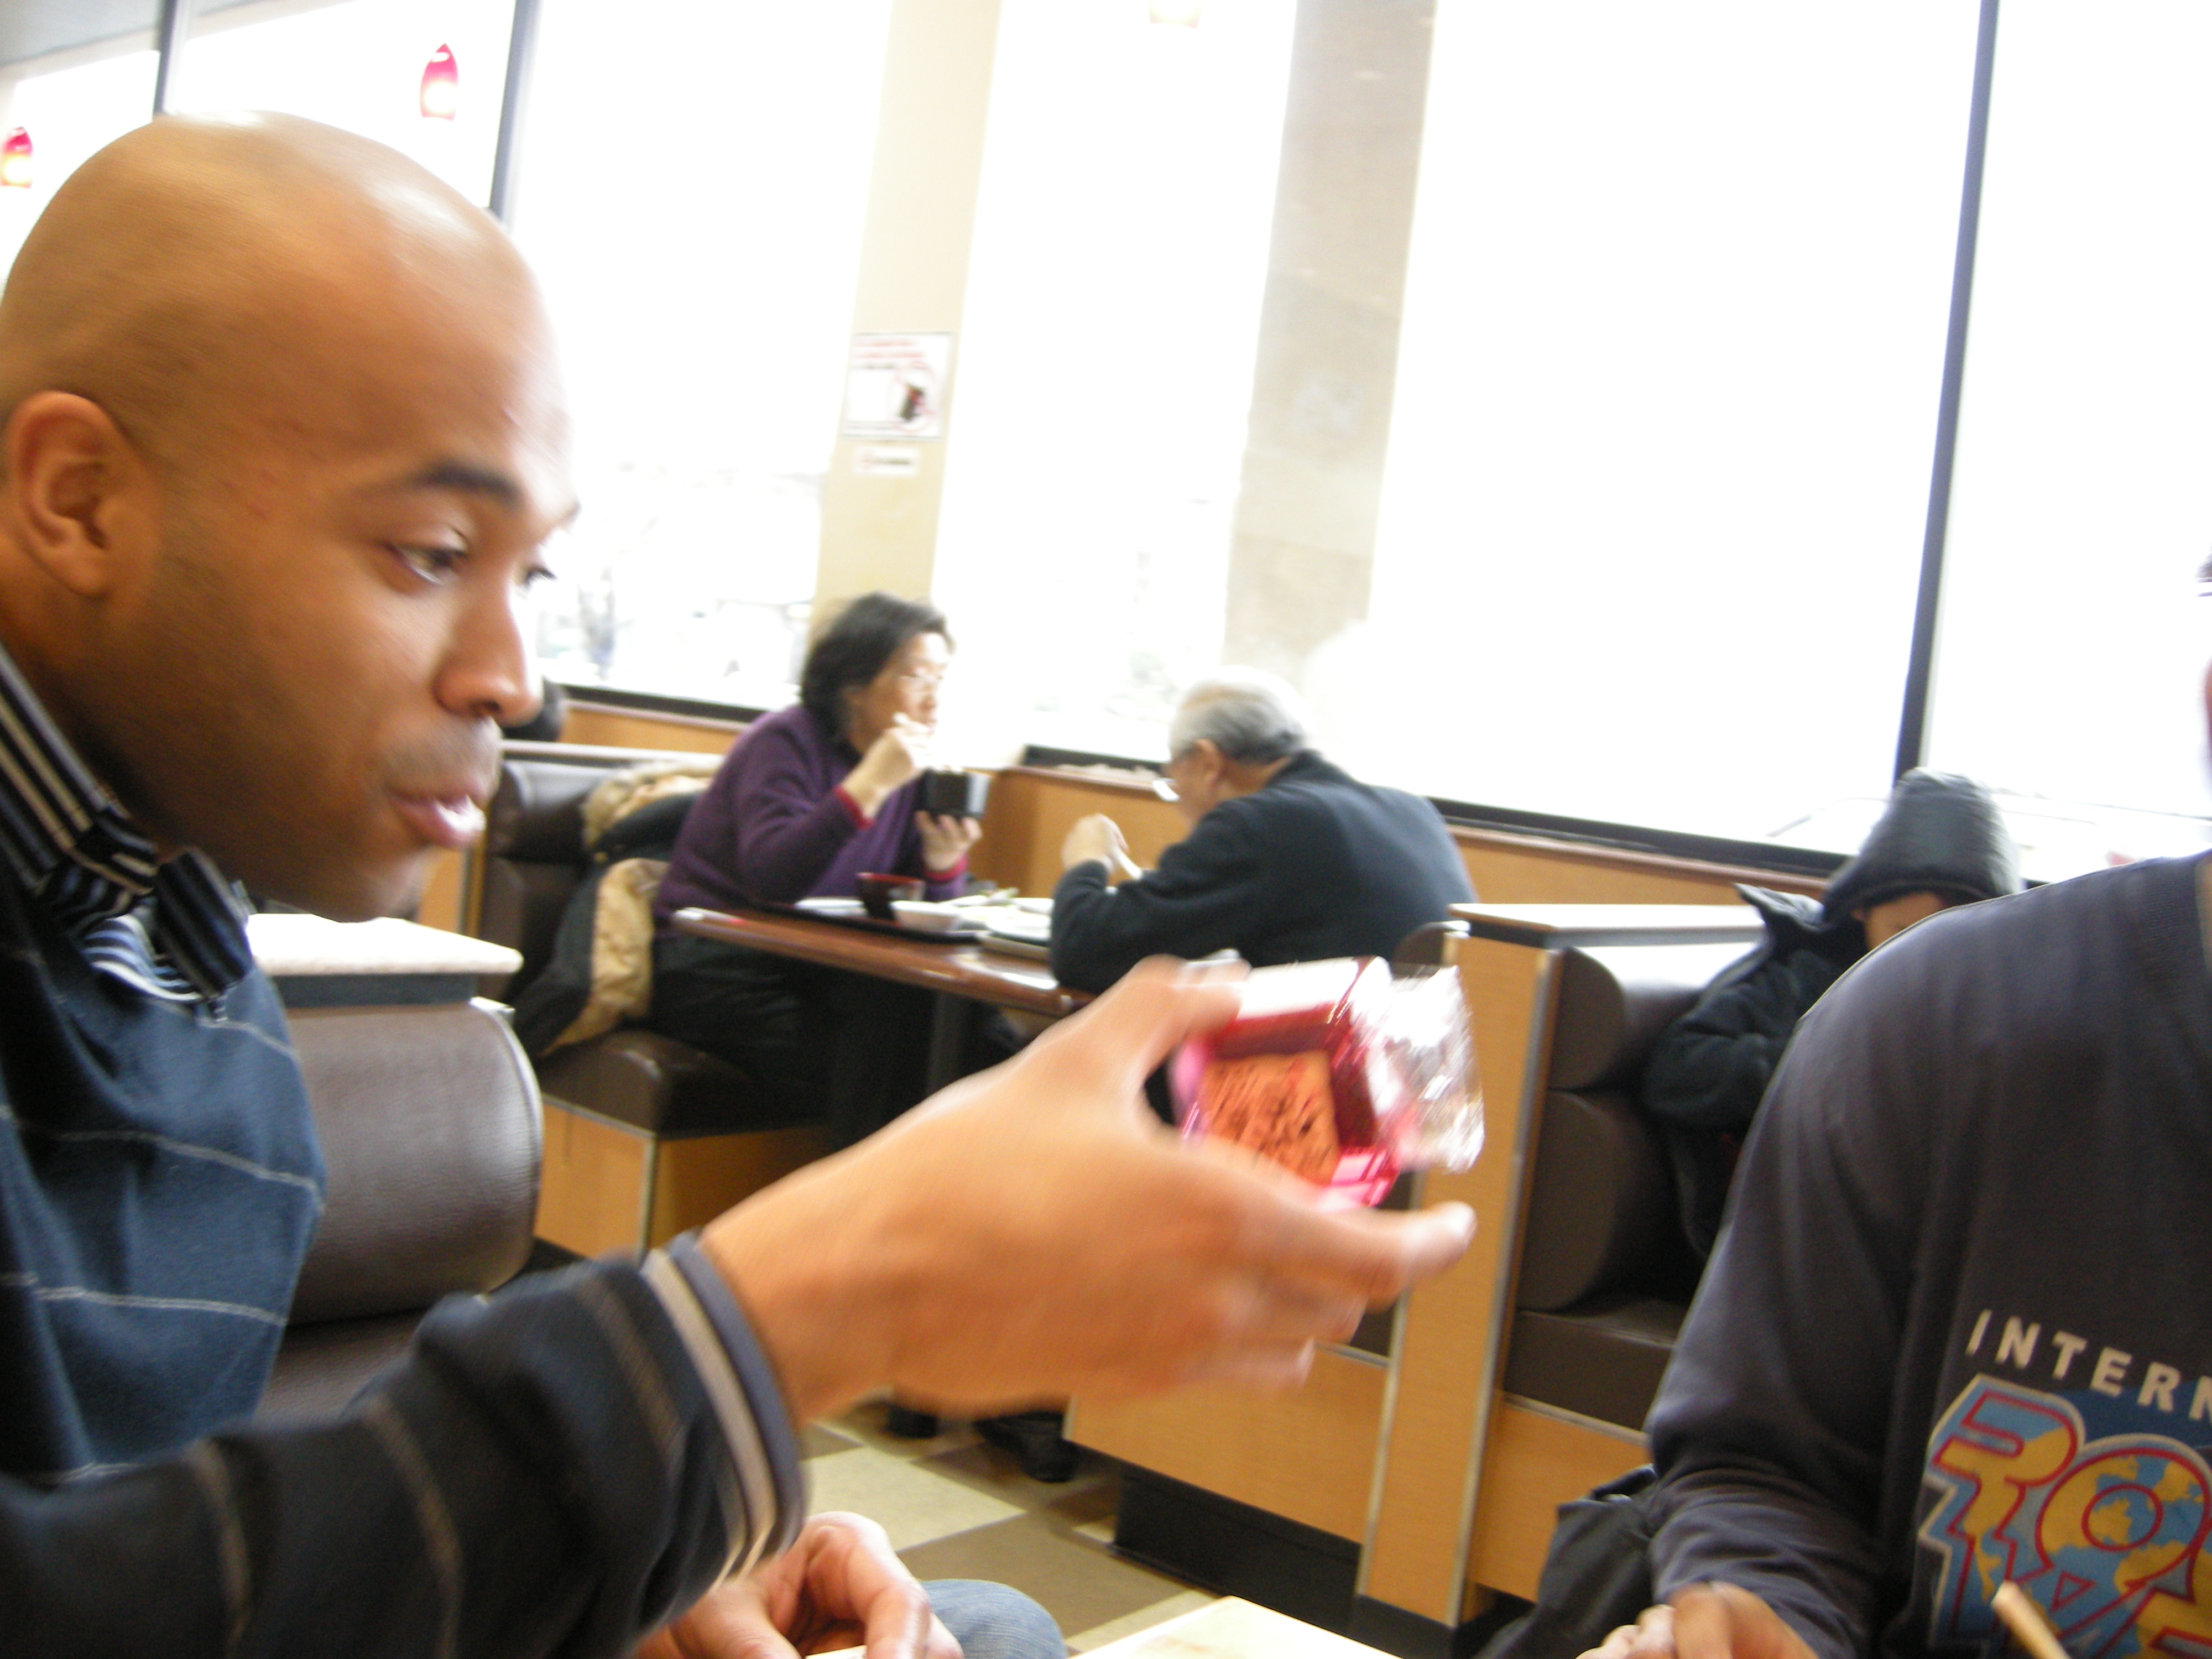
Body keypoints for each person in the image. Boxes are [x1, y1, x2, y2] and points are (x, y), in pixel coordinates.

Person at [0, 112, 1475, 1657]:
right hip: (716, 962)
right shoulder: (789, 747)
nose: (515, 676)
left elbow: (187, 1501)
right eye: (430, 551)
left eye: (531, 575)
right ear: (79, 498)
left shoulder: (178, 943)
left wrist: (626, 1564)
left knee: (975, 1624)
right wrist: (783, 1313)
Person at [1584, 670, 2212, 1658]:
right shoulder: (1923, 1013)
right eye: (1906, 913)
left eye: (1948, 908)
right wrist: (1767, 1615)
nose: (1921, 930)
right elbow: (1773, 1474)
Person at [649, 591, 1008, 1145]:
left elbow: (919, 921)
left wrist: (941, 865)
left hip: (822, 969)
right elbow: (774, 878)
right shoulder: (785, 741)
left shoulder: (907, 770)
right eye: (916, 677)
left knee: (972, 1034)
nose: (934, 701)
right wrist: (869, 785)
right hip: (717, 965)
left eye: (940, 679)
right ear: (852, 685)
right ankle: (869, 1194)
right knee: (885, 1053)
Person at [1638, 769, 2021, 1259]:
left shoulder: (1992, 1014)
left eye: (1949, 944)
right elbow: (1677, 1071)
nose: (1920, 961)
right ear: (1861, 909)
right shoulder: (1804, 980)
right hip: (1802, 1240)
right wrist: (1820, 1064)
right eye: (1902, 933)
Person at [1048, 669, 1475, 993]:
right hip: (1421, 1070)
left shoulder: (1258, 824)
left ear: (1207, 762)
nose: (1177, 802)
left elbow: (1084, 954)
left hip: (1312, 1070)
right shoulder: (1411, 810)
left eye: (1174, 781)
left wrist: (1089, 862)